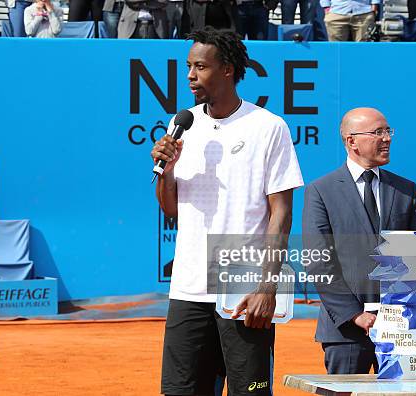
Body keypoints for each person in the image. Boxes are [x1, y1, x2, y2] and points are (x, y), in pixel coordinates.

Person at [151, 27, 303, 395]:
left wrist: (268, 286)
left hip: (243, 290)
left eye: (200, 66)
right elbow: (170, 208)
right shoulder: (181, 123)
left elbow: (281, 215)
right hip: (188, 289)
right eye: (189, 66)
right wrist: (166, 172)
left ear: (228, 70)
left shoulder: (269, 128)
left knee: (249, 390)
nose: (190, 75)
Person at [302, 107, 416, 375]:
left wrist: (401, 313)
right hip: (345, 331)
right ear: (352, 141)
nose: (387, 138)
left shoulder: (406, 190)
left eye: (388, 131)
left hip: (398, 331)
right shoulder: (320, 191)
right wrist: (355, 314)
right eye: (377, 132)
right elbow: (319, 263)